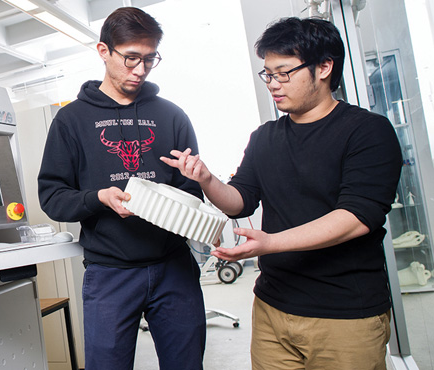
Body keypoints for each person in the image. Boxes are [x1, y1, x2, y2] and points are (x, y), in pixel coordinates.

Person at [161, 17, 402, 370]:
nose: (273, 84)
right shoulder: (265, 137)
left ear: (324, 67)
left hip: (345, 315)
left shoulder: (366, 131)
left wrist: (269, 243)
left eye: (284, 73)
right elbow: (240, 201)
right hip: (273, 309)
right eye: (267, 74)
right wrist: (206, 179)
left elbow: (355, 219)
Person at [37, 7, 206, 370]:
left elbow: (192, 193)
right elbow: (52, 197)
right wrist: (98, 198)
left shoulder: (172, 116)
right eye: (131, 58)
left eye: (149, 59)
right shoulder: (71, 121)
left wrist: (180, 207)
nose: (140, 70)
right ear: (103, 51)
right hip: (109, 273)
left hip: (174, 268)